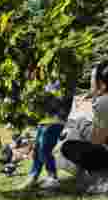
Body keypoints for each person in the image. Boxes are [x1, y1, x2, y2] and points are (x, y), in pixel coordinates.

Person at [21, 70, 77, 190]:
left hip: (57, 120)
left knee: (45, 149)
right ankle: (33, 176)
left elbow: (65, 101)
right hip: (44, 120)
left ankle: (52, 177)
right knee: (37, 150)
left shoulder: (65, 82)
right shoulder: (46, 81)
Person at [61, 61, 108, 191]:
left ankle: (100, 179)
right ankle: (93, 178)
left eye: (92, 80)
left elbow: (97, 140)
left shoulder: (104, 102)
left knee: (68, 146)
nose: (91, 84)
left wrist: (82, 125)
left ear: (102, 84)